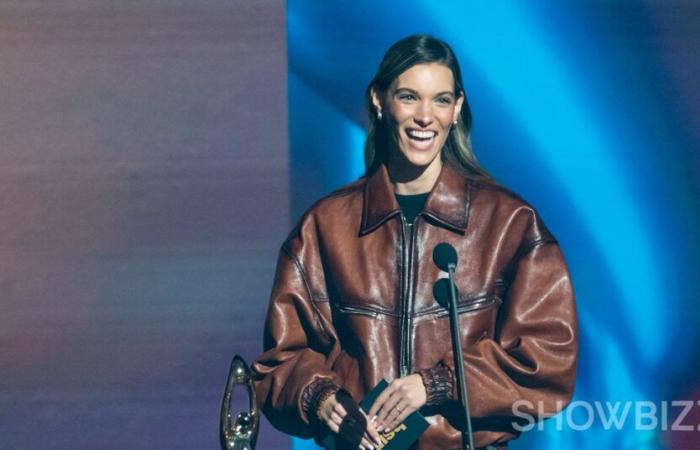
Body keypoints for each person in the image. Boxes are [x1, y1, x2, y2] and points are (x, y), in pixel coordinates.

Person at [250, 34, 578, 450]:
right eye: (409, 97)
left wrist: (439, 384)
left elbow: (548, 358)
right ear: (379, 101)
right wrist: (323, 399)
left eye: (440, 100)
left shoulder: (509, 223)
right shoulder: (325, 225)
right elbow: (281, 361)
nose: (426, 116)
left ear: (457, 108)